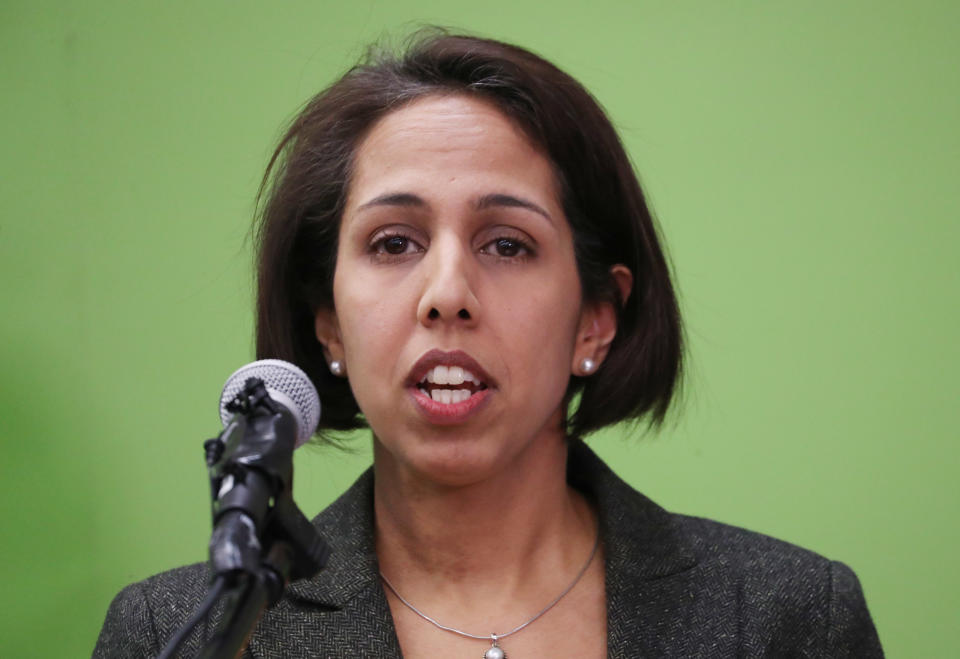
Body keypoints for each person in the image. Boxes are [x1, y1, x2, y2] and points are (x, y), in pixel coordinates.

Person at [93, 31, 882, 658]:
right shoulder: (181, 631)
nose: (446, 294)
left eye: (506, 245)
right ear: (327, 321)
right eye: (394, 242)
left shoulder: (791, 619)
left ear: (594, 321)